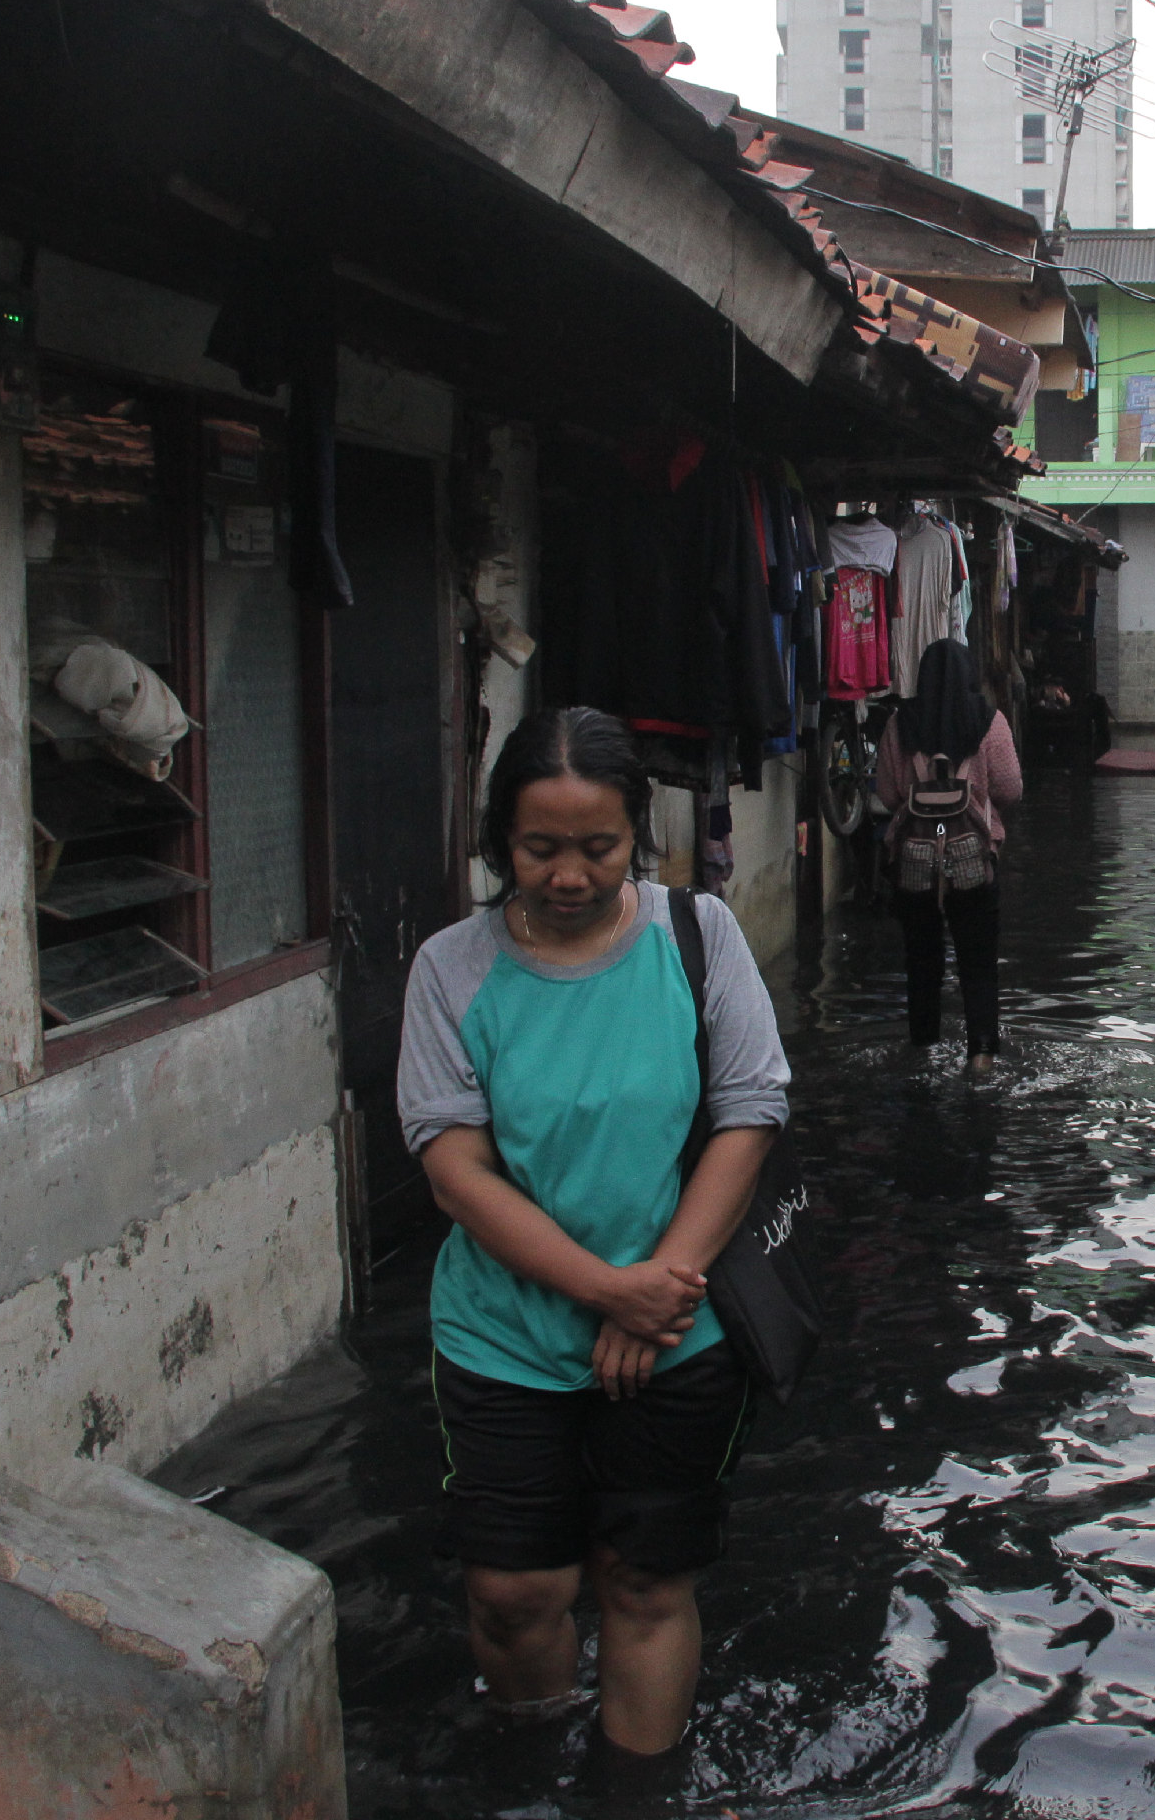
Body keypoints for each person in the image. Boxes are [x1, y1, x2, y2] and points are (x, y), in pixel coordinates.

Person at [396, 705, 790, 1795]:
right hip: (507, 1336)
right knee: (514, 1592)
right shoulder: (450, 969)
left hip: (678, 1328)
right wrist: (609, 1290)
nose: (568, 875)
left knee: (645, 1582)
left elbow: (750, 1111)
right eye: (539, 848)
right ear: (498, 841)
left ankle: (631, 1797)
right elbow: (457, 1170)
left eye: (598, 847)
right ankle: (531, 1761)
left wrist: (657, 1292)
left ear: (637, 838)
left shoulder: (698, 937)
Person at [874, 638, 1023, 1076]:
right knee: (979, 965)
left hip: (915, 866)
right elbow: (1011, 789)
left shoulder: (899, 725)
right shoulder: (990, 722)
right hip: (972, 863)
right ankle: (981, 1057)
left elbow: (888, 795)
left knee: (921, 964)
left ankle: (923, 1054)